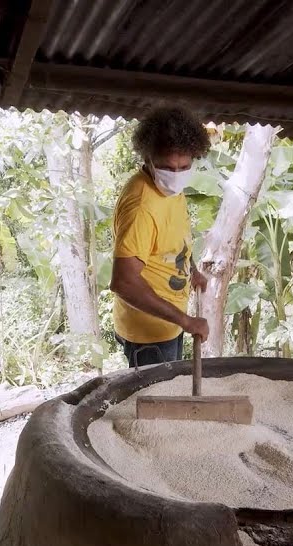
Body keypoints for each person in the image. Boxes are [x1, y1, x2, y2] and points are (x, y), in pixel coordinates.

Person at [108, 106, 211, 368]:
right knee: (155, 403)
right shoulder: (141, 205)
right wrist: (186, 321)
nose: (175, 175)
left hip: (170, 323)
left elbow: (175, 239)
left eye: (184, 166)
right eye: (167, 167)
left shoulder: (173, 191)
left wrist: (192, 270)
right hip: (147, 336)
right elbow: (124, 282)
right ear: (148, 158)